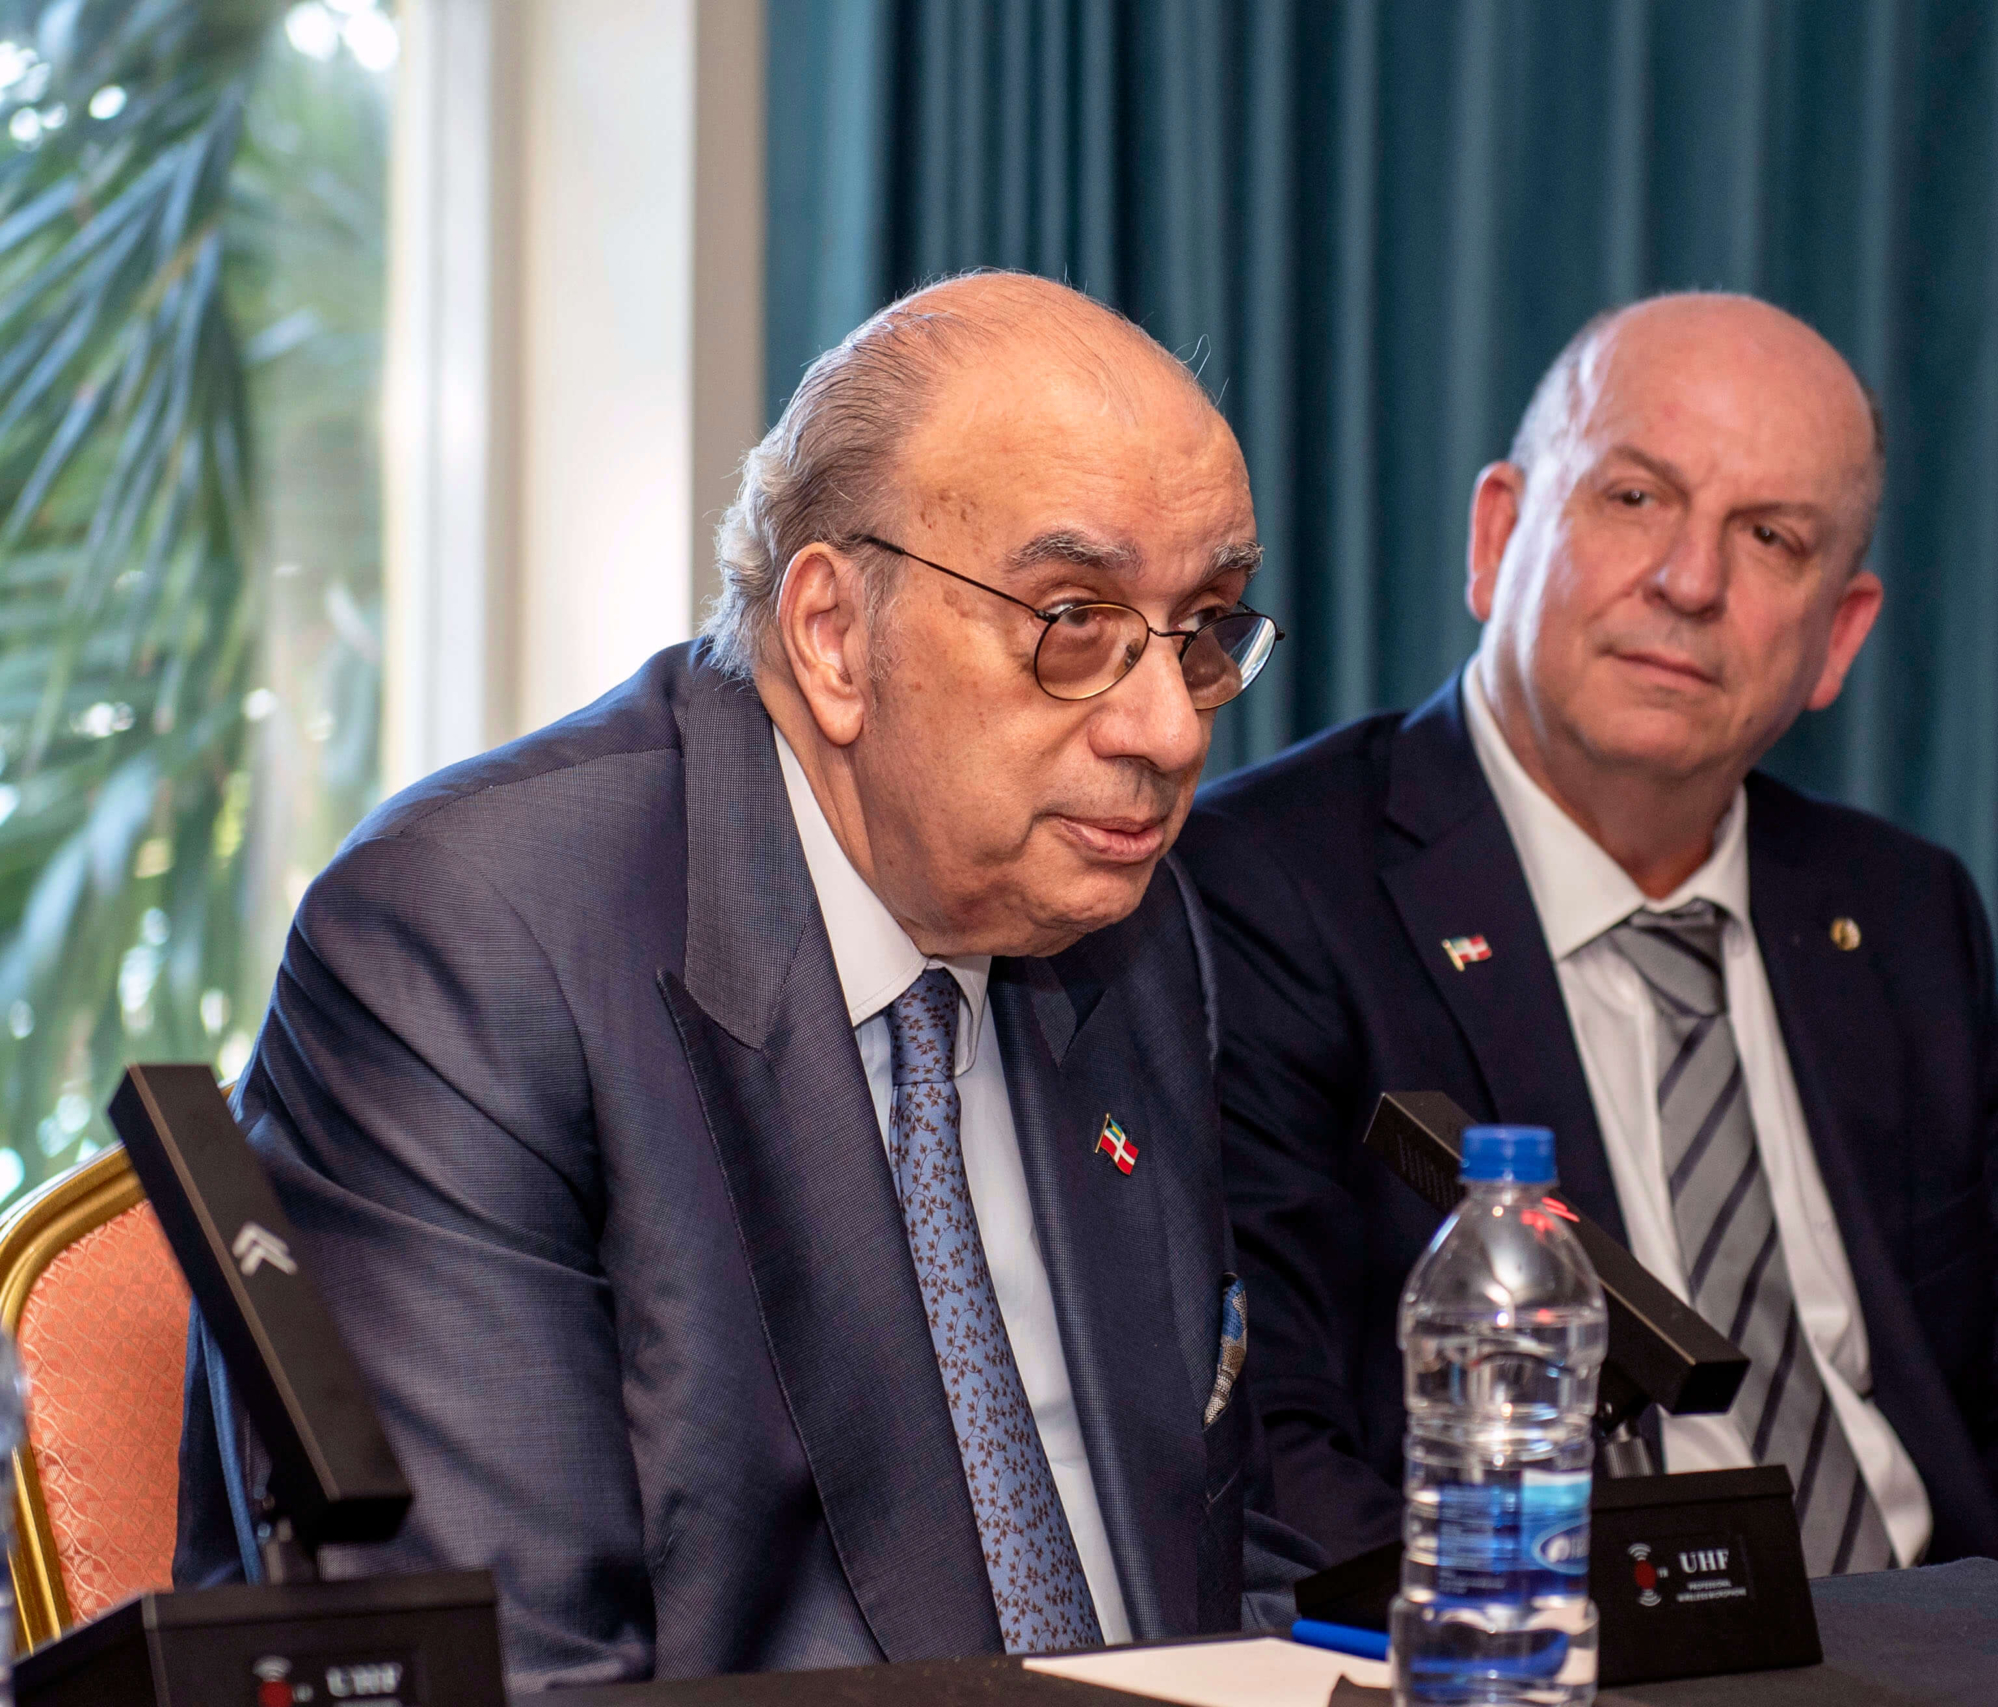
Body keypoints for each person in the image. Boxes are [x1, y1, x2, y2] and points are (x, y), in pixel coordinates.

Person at [173, 272, 1312, 1687]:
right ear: (833, 634)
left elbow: (1221, 1556)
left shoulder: (1130, 933)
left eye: (1203, 627)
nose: (1167, 729)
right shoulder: (472, 944)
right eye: (1072, 622)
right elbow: (507, 1669)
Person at [1179, 292, 1998, 1574]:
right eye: (1634, 498)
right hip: (1543, 1631)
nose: (1690, 581)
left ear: (1838, 637)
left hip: (1946, 1632)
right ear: (1497, 536)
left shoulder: (1901, 915)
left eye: (1770, 537)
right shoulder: (1269, 889)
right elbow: (1273, 1454)